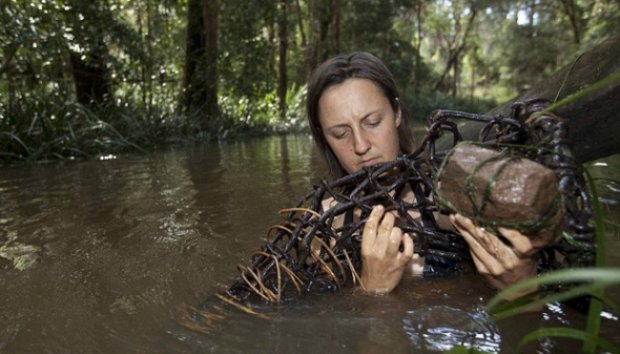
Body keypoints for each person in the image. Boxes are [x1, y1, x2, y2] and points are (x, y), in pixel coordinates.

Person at [306, 52, 540, 297]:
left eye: (373, 122)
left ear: (396, 112)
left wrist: (523, 285)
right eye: (341, 134)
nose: (361, 145)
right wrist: (371, 288)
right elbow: (322, 321)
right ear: (324, 137)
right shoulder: (321, 228)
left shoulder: (452, 203)